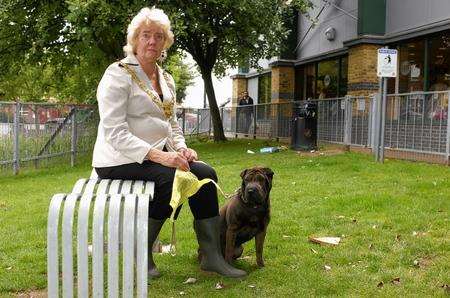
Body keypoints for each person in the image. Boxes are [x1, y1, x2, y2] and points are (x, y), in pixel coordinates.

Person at [92, 7, 246, 279]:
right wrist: (162, 157)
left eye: (159, 36)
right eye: (146, 35)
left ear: (166, 42)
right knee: (170, 178)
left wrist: (181, 148)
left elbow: (170, 123)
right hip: (117, 160)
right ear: (134, 40)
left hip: (155, 159)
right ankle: (141, 254)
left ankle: (212, 256)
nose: (152, 41)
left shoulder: (165, 78)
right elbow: (114, 131)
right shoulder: (117, 74)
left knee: (205, 174)